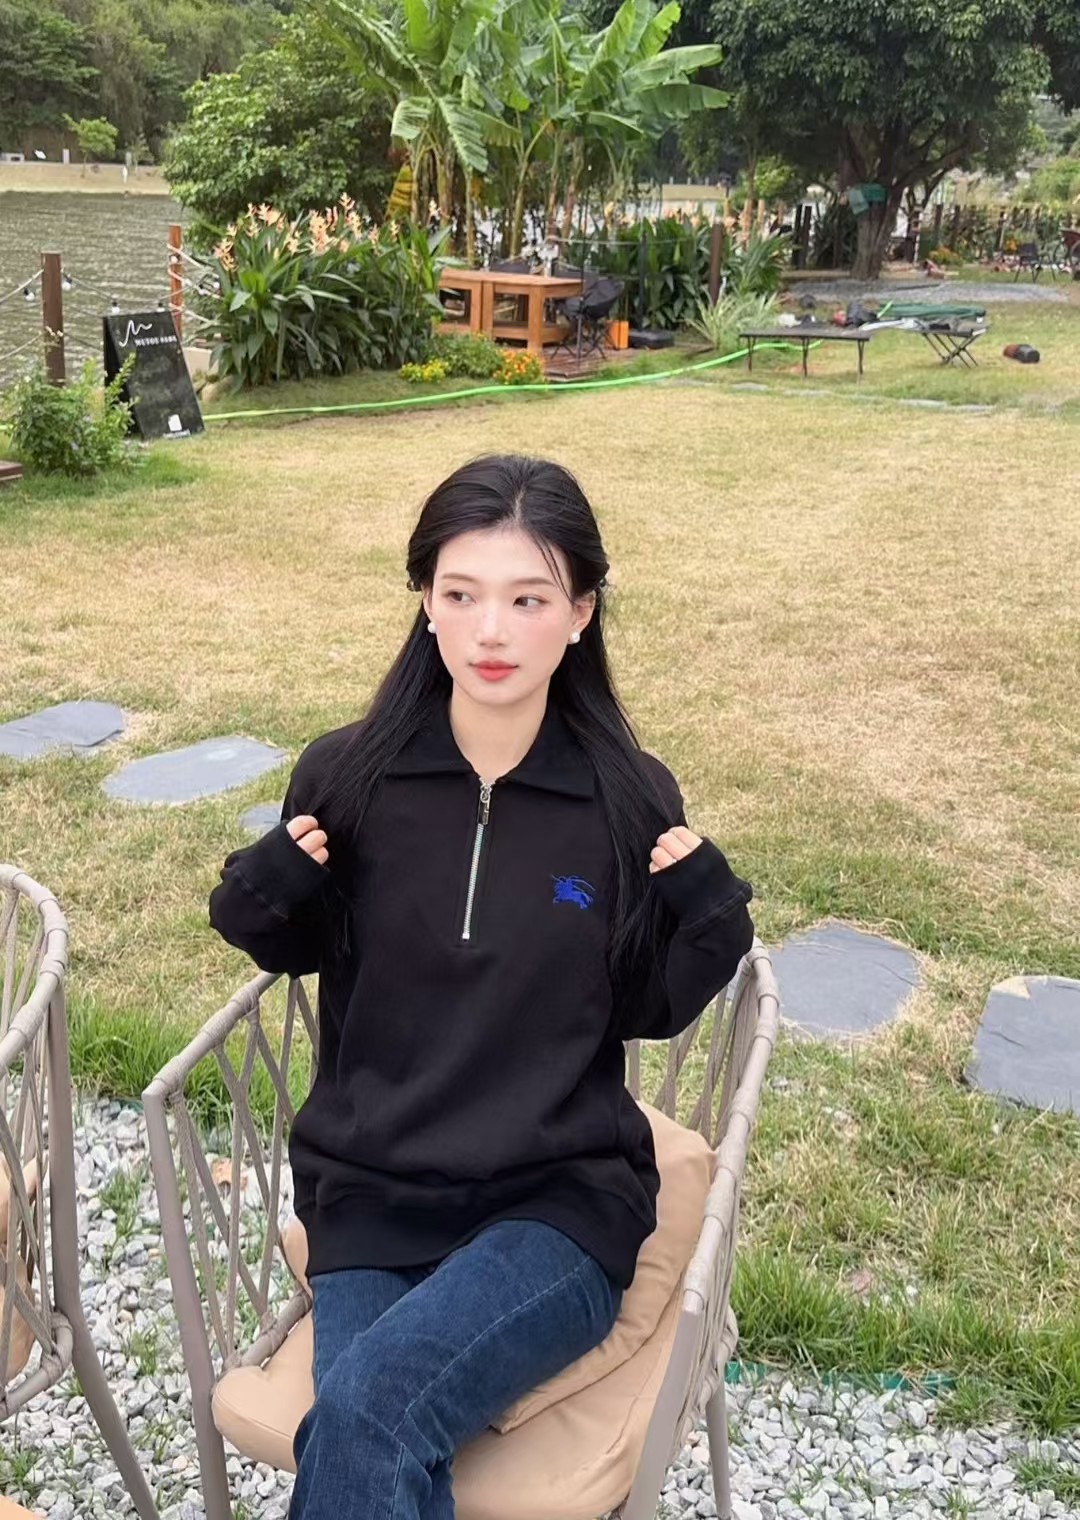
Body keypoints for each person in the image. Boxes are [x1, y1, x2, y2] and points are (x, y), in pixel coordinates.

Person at [208, 453, 755, 1520]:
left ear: (582, 612)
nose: (489, 631)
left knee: (364, 1419)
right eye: (460, 594)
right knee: (369, 1429)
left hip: (555, 1204)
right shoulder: (347, 776)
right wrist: (262, 884)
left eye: (528, 599)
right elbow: (285, 942)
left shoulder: (627, 796)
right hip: (370, 1192)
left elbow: (646, 1006)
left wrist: (714, 919)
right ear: (424, 600)